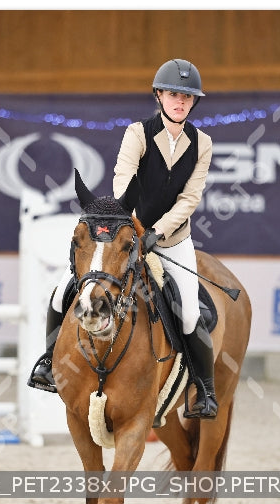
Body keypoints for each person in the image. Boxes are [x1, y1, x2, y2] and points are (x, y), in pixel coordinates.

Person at [28, 58, 217, 419]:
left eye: (187, 97)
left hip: (174, 240)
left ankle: (204, 390)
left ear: (193, 103)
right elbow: (123, 180)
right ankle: (49, 364)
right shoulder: (138, 133)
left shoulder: (202, 143)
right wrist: (132, 228)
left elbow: (190, 198)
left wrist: (158, 233)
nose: (180, 101)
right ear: (159, 95)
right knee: (60, 294)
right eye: (173, 94)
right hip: (127, 235)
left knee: (191, 313)